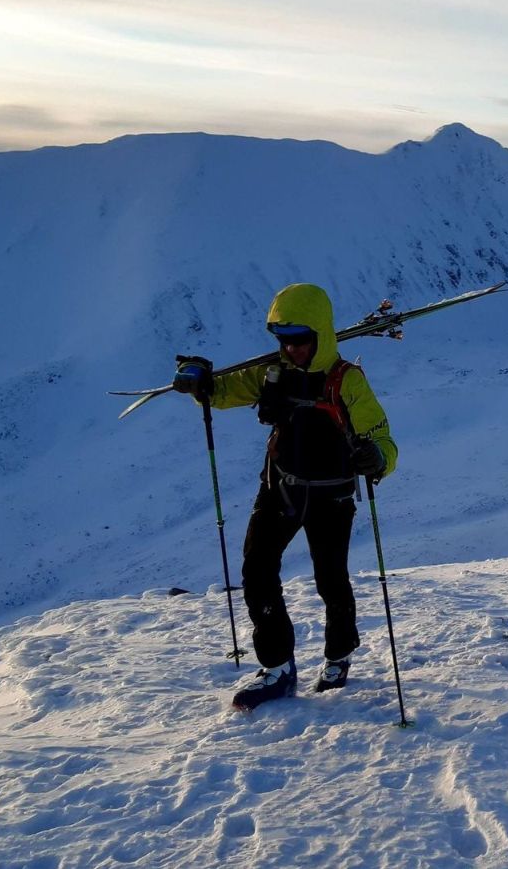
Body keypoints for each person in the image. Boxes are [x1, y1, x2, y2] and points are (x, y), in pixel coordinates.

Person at [172, 282, 397, 710]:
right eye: (283, 340)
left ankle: (339, 652)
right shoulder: (270, 373)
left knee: (331, 579)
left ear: (320, 334)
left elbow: (382, 438)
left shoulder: (346, 380)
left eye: (299, 340)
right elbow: (223, 391)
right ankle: (277, 666)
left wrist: (377, 458)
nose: (290, 349)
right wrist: (200, 381)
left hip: (331, 495)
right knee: (256, 572)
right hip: (280, 486)